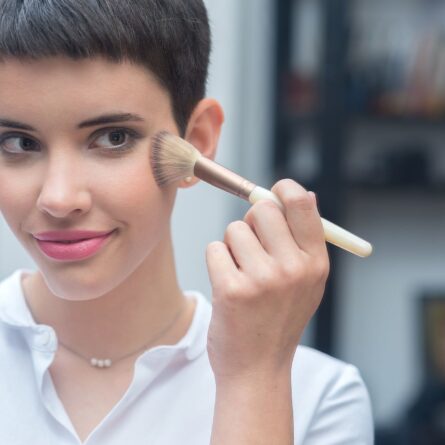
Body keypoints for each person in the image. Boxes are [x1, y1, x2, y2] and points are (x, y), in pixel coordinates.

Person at [0, 1, 373, 444]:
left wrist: (253, 378)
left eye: (113, 138)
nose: (59, 199)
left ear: (197, 139)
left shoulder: (320, 399)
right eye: (19, 142)